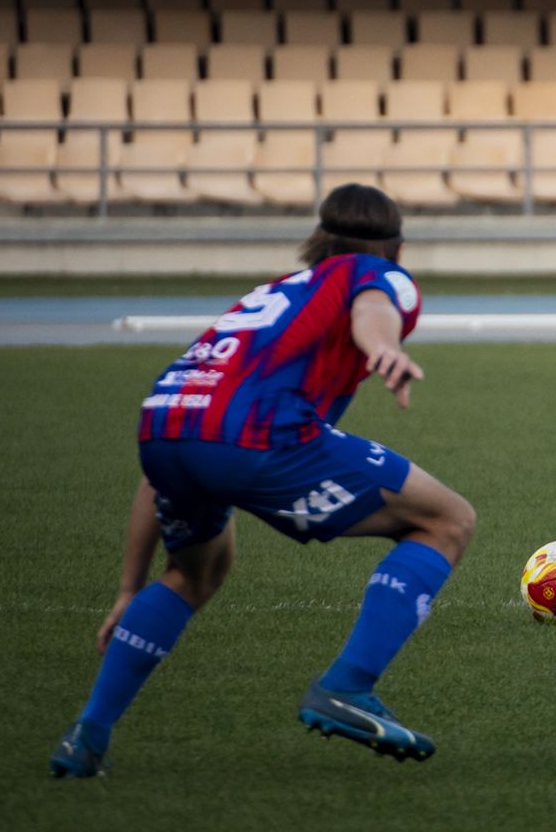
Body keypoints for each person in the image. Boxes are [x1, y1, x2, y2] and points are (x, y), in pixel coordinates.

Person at [49, 184, 476, 777]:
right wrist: (385, 350)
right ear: (397, 247)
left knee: (195, 571)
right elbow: (373, 304)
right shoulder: (378, 272)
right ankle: (348, 686)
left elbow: (161, 466)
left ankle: (85, 736)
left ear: (318, 240)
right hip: (256, 433)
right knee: (447, 519)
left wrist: (128, 588)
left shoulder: (276, 291)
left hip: (166, 425)